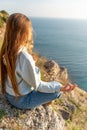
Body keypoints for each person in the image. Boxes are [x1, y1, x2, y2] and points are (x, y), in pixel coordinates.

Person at [0, 13, 77, 109]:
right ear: (24, 33)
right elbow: (38, 85)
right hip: (21, 100)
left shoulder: (7, 49)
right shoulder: (24, 57)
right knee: (57, 92)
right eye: (29, 29)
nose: (31, 31)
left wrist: (31, 63)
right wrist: (61, 88)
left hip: (10, 94)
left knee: (54, 86)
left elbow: (18, 69)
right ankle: (43, 103)